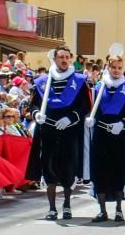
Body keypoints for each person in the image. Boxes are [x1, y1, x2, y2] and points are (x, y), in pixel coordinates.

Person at [26, 45, 90, 220]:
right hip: (48, 130)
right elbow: (33, 105)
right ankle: (52, 208)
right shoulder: (42, 82)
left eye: (66, 57)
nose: (63, 60)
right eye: (60, 57)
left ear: (70, 59)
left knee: (68, 169)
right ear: (54, 59)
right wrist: (36, 114)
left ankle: (67, 204)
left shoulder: (79, 80)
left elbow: (85, 106)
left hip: (68, 130)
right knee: (49, 169)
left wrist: (71, 118)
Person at [84, 54, 125, 223]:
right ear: (108, 67)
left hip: (118, 136)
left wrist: (123, 123)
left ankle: (119, 210)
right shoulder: (98, 88)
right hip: (100, 136)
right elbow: (92, 109)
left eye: (119, 68)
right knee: (100, 173)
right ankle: (102, 210)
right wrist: (91, 118)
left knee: (117, 172)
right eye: (113, 67)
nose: (116, 71)